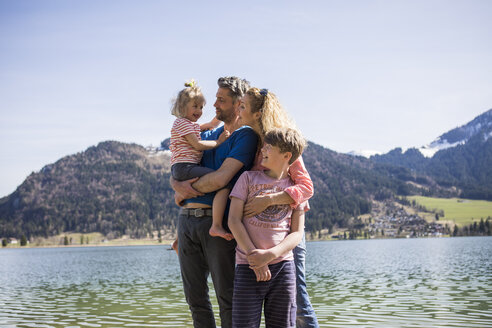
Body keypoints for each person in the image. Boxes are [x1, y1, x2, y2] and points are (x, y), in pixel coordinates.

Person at [171, 76, 257, 328]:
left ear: (238, 104)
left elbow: (221, 179)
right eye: (216, 98)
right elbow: (180, 165)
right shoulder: (209, 133)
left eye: (221, 100)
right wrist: (175, 184)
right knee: (195, 300)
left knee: (227, 298)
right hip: (186, 223)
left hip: (216, 225)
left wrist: (184, 190)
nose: (214, 105)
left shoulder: (245, 136)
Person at [237, 88, 319, 327]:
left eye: (243, 107)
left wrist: (270, 200)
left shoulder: (280, 143)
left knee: (299, 304)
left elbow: (307, 187)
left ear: (258, 112)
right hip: (255, 243)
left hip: (286, 238)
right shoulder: (251, 142)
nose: (238, 111)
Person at [228, 127, 308, 328]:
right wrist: (256, 258)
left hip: (283, 269)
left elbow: (297, 233)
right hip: (248, 267)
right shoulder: (247, 179)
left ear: (286, 155)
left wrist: (270, 255)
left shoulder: (295, 191)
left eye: (268, 147)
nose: (262, 150)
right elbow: (234, 221)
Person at [169, 80, 233, 254]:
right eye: (195, 106)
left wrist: (221, 113)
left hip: (183, 168)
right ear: (182, 107)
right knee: (222, 183)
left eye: (201, 107)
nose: (199, 111)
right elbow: (197, 145)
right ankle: (217, 225)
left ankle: (178, 241)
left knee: (194, 192)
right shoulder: (181, 123)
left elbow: (212, 125)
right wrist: (218, 142)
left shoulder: (191, 125)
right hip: (185, 167)